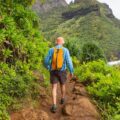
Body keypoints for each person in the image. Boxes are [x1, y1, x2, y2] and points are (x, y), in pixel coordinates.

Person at [44, 37, 74, 113]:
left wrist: (48, 67)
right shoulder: (65, 50)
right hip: (62, 71)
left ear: (56, 42)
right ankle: (63, 98)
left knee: (54, 88)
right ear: (62, 42)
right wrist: (71, 71)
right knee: (62, 85)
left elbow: (46, 60)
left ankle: (54, 105)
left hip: (53, 71)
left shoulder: (51, 50)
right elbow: (69, 61)